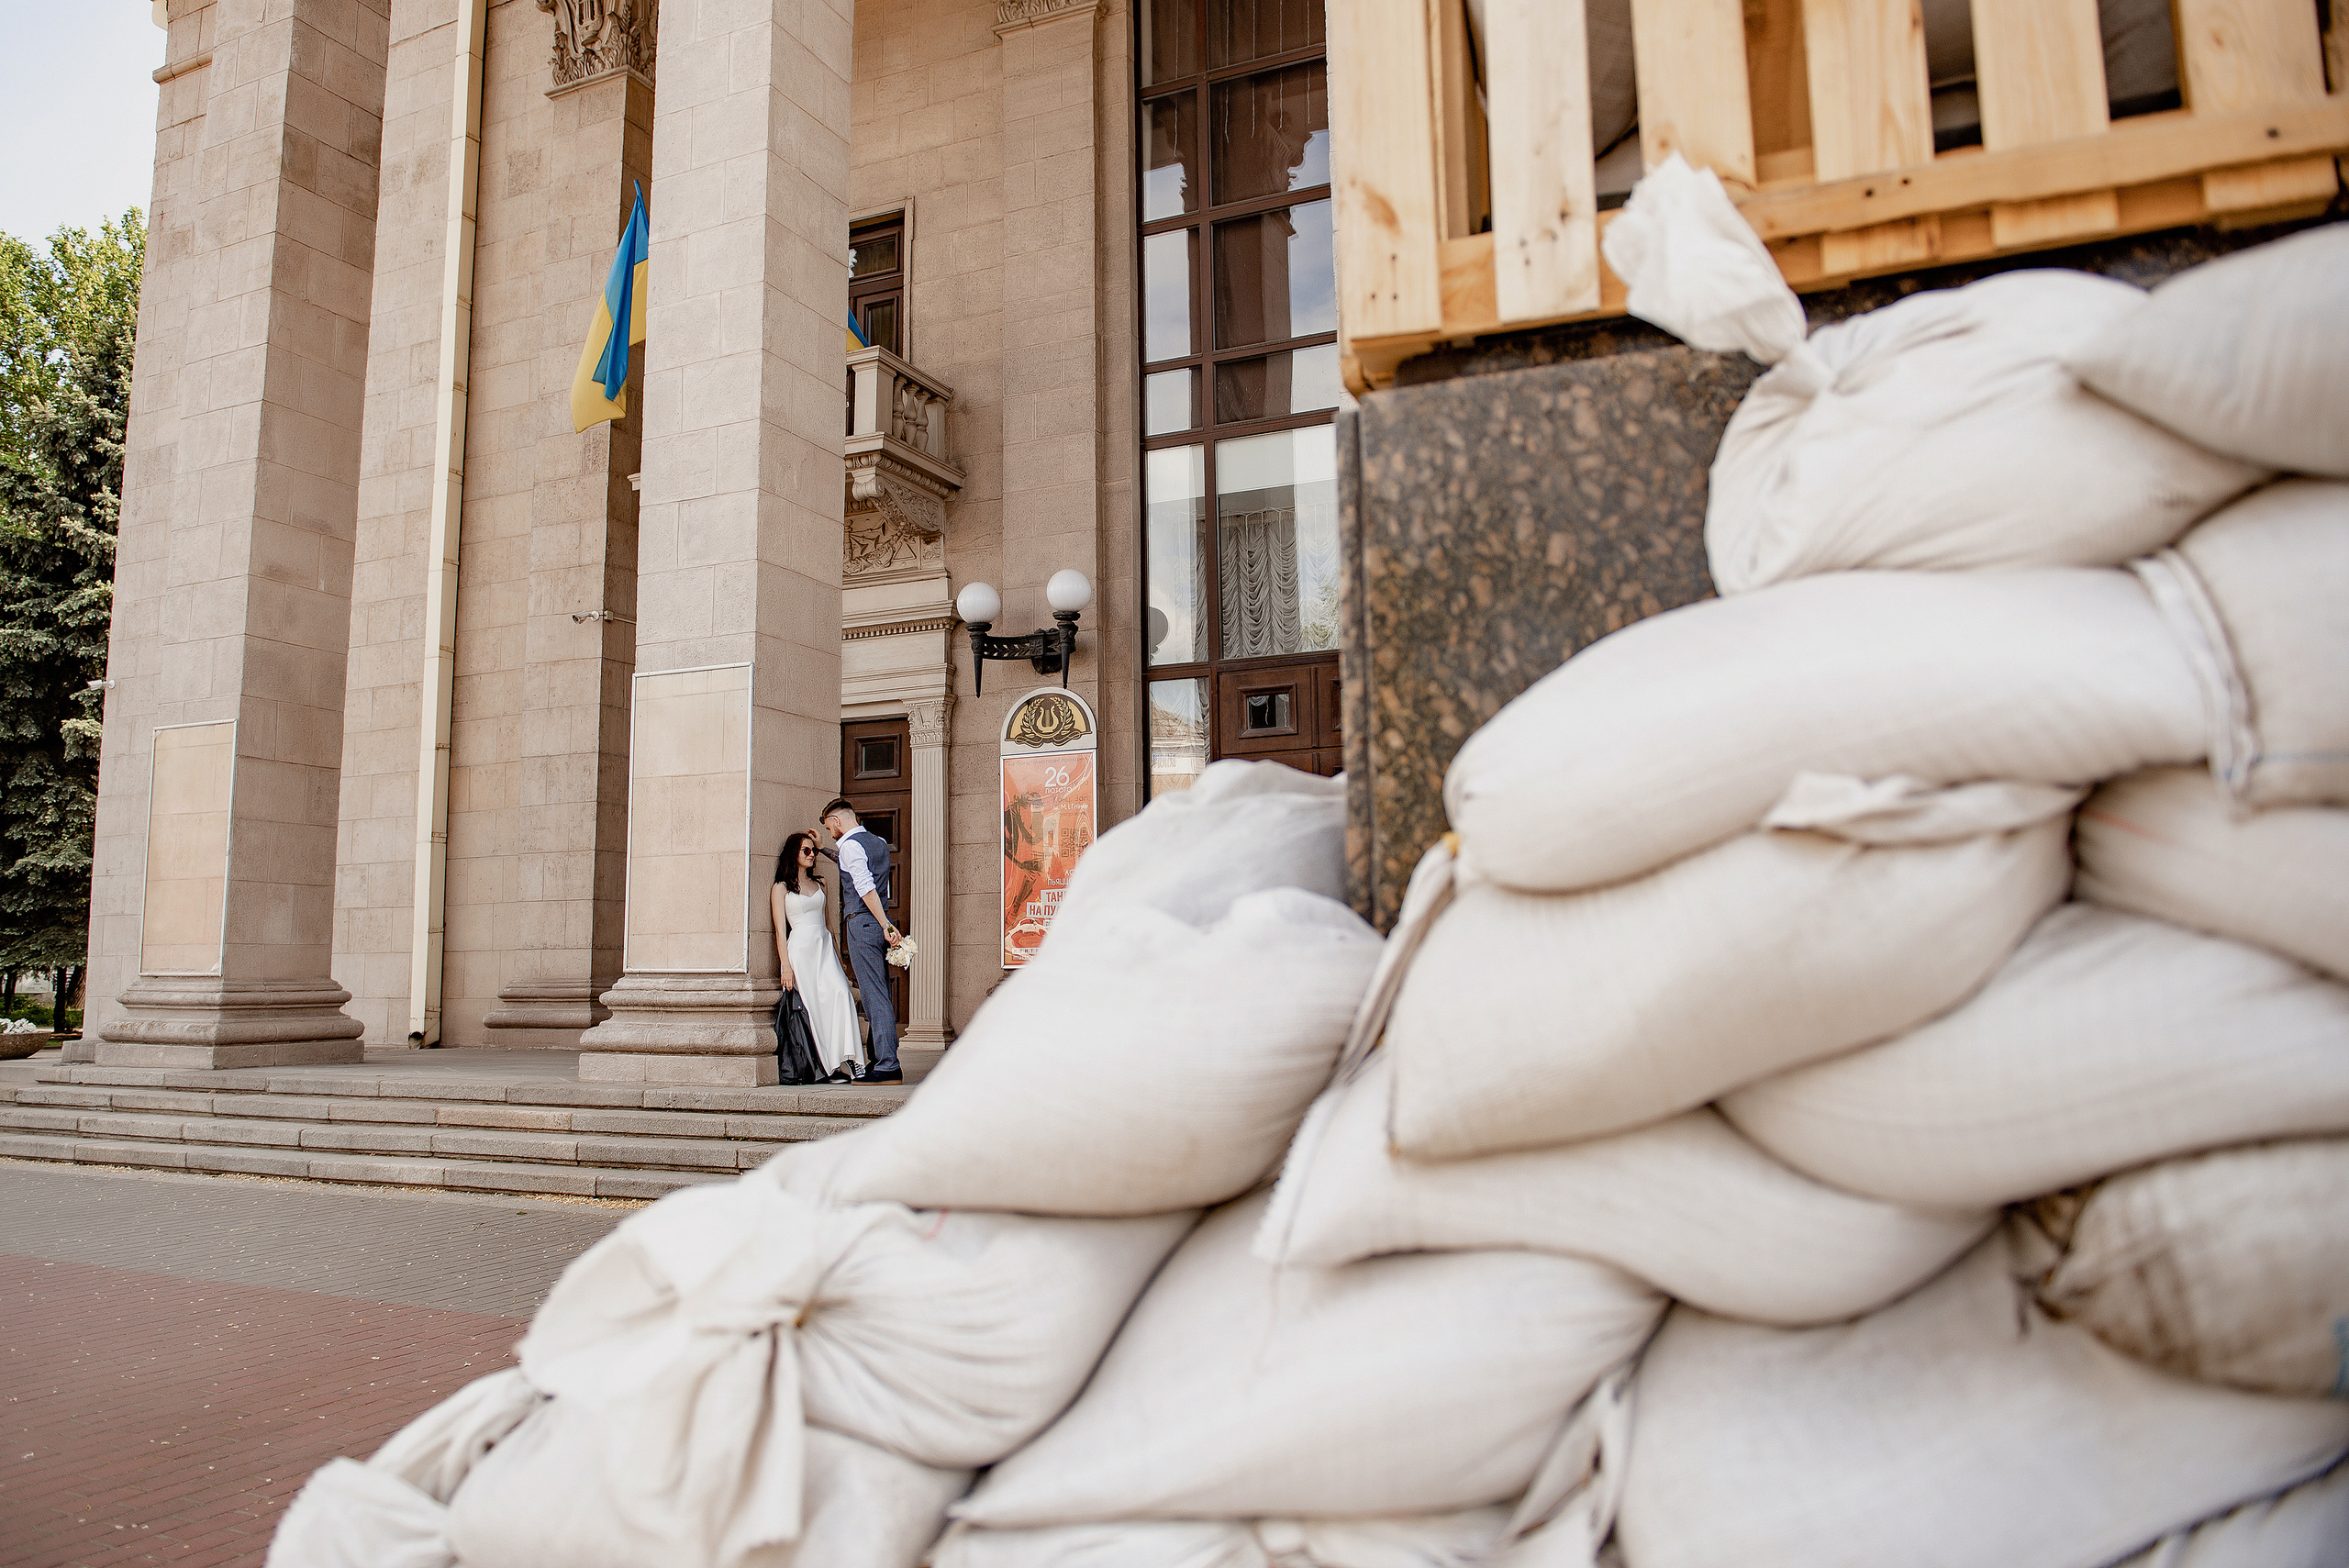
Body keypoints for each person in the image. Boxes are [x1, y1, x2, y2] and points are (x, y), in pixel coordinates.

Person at [819, 797, 905, 1084]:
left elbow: (864, 886)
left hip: (863, 922)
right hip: (875, 922)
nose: (832, 834)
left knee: (873, 995)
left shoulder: (850, 846)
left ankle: (888, 1066)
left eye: (831, 828)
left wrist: (885, 925)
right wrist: (823, 850)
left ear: (838, 821)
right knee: (878, 992)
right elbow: (853, 866)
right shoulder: (877, 842)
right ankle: (878, 1061)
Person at [771, 830, 865, 1083]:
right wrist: (785, 967)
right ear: (795, 853)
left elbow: (830, 926)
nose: (812, 854)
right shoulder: (781, 888)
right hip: (800, 952)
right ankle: (829, 1068)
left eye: (813, 850)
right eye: (806, 850)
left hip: (824, 947)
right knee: (813, 1008)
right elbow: (781, 931)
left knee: (841, 993)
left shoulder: (821, 883)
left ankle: (853, 1059)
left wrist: (841, 962)